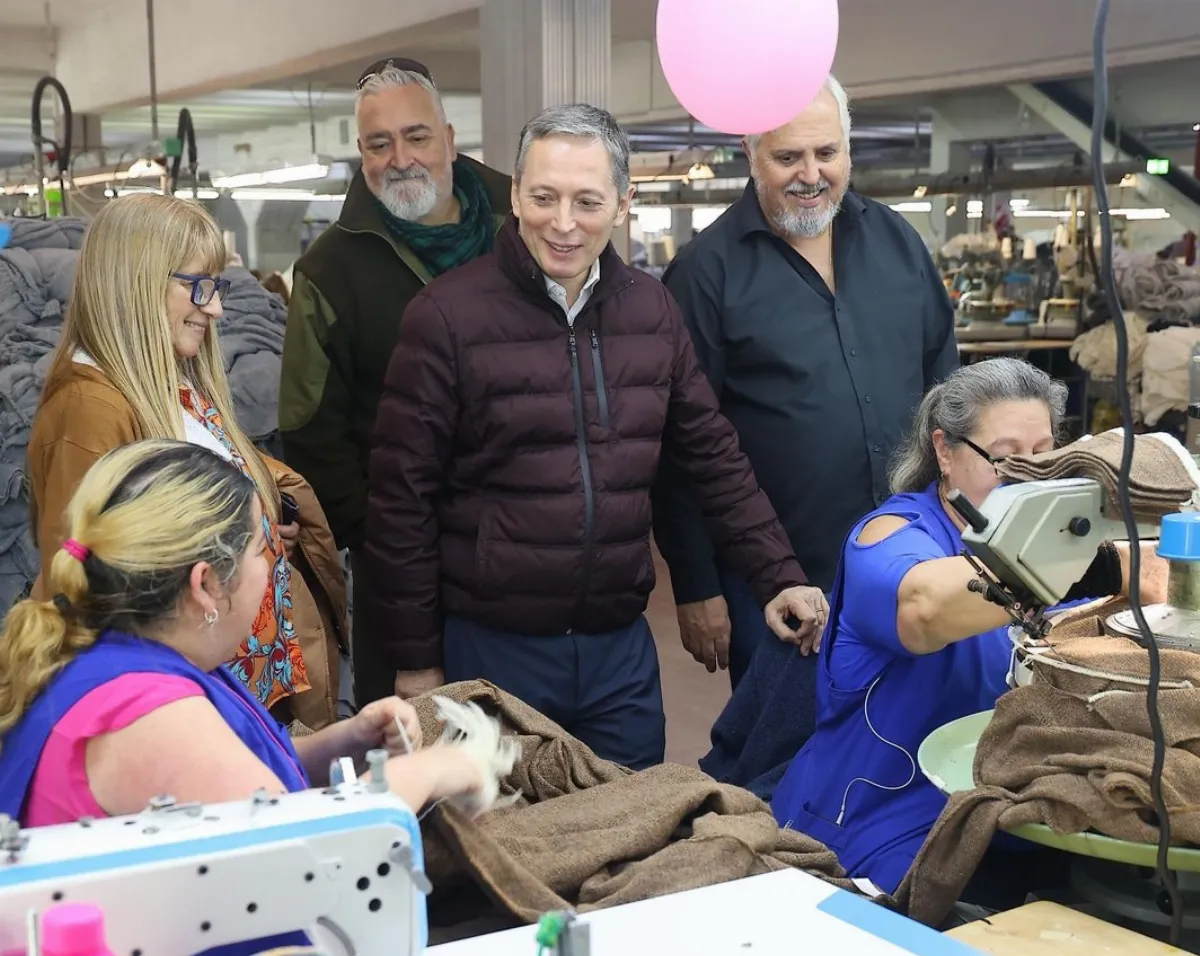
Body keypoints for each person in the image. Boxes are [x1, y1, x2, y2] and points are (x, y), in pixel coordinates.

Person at [364, 103, 827, 771]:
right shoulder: (445, 318)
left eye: (586, 201)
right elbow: (400, 503)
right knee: (506, 855)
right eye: (544, 197)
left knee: (632, 842)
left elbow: (712, 455)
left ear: (621, 204)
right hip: (493, 655)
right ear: (516, 193)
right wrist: (414, 662)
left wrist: (777, 575)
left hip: (619, 656)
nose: (562, 222)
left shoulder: (651, 310)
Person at [769, 358, 1167, 900]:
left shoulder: (1068, 542)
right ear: (944, 451)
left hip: (1015, 819)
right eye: (1004, 459)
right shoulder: (892, 535)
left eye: (1045, 456)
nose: (1032, 477)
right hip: (889, 823)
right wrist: (1104, 568)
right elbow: (925, 606)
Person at [0, 440, 486, 832]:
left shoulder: (104, 654)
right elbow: (307, 857)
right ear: (206, 584)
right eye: (261, 548)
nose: (272, 564)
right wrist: (434, 769)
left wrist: (348, 741)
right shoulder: (153, 718)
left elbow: (229, 778)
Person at [653, 75, 959, 694]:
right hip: (776, 580)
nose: (811, 173)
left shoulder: (897, 241)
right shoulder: (705, 272)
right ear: (750, 151)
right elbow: (677, 444)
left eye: (827, 153)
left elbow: (946, 388)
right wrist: (697, 583)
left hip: (914, 561)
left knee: (915, 742)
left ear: (848, 148)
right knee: (789, 762)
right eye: (788, 156)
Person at [27, 193, 344, 731]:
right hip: (187, 715)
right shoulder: (90, 412)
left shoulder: (168, 385)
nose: (215, 307)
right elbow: (88, 594)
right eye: (197, 286)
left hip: (236, 699)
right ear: (137, 284)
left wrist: (262, 526)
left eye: (215, 287)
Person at [279, 56, 513, 710]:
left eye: (416, 136)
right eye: (379, 144)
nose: (400, 158)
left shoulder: (522, 227)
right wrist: (385, 536)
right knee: (422, 765)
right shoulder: (329, 269)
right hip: (404, 577)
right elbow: (310, 431)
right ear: (361, 154)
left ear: (450, 139)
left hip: (526, 555)